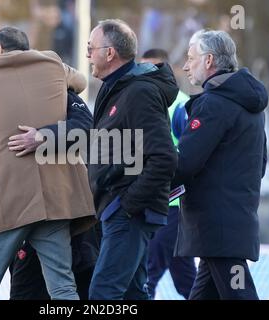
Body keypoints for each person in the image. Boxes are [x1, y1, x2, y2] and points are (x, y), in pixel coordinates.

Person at [0, 26, 95, 300]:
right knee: (62, 286)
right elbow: (81, 81)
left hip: (8, 200)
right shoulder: (52, 63)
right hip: (54, 198)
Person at [172, 30, 268, 300]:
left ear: (209, 60)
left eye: (191, 58)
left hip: (218, 230)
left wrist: (146, 180)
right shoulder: (250, 107)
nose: (186, 65)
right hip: (229, 225)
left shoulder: (214, 105)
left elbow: (185, 163)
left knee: (240, 295)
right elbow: (260, 164)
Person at [86, 19, 179, 300]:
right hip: (116, 210)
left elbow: (164, 158)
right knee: (133, 294)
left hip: (128, 213)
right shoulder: (115, 88)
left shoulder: (139, 92)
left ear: (110, 53)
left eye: (90, 48)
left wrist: (127, 206)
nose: (87, 54)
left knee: (103, 295)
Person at [6, 89, 101, 300]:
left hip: (68, 219)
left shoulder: (58, 89)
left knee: (70, 285)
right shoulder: (2, 92)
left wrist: (41, 137)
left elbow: (85, 127)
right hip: (26, 216)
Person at [140, 48, 196, 300]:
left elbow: (192, 154)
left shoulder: (179, 105)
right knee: (188, 281)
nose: (145, 76)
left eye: (152, 69)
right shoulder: (145, 102)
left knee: (146, 275)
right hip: (157, 202)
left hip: (171, 206)